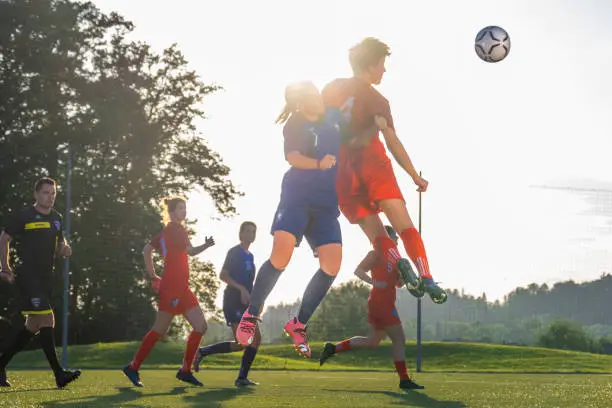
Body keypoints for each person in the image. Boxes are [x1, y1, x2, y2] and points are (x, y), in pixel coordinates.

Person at [322, 37, 447, 304]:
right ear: (370, 65)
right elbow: (392, 143)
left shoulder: (331, 88)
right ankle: (426, 276)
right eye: (382, 65)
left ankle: (398, 261)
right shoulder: (378, 100)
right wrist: (415, 175)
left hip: (341, 170)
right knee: (404, 226)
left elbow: (319, 126)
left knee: (377, 235)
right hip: (372, 162)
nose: (384, 70)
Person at [234, 81, 344, 358]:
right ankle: (252, 312)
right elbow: (293, 157)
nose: (314, 102)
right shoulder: (294, 124)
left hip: (326, 204)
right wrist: (318, 164)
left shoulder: (333, 118)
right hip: (296, 198)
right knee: (281, 255)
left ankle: (298, 323)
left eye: (316, 96)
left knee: (332, 265)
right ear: (299, 104)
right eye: (307, 99)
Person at [122, 197, 214, 387]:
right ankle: (133, 367)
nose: (184, 211)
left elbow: (146, 249)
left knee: (200, 326)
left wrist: (153, 275)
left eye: (185, 208)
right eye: (180, 208)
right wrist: (206, 245)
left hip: (182, 288)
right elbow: (190, 252)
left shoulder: (166, 232)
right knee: (159, 330)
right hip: (171, 288)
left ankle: (185, 370)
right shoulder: (176, 229)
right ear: (171, 212)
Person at [319, 226, 424, 390]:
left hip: (385, 302)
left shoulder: (395, 259)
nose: (397, 240)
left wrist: (408, 280)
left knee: (372, 342)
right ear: (386, 239)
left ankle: (333, 348)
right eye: (394, 237)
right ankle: (404, 380)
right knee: (399, 339)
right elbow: (359, 271)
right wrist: (375, 283)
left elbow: (397, 283)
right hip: (381, 302)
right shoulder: (376, 253)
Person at [0, 177, 81, 388]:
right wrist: (5, 267)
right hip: (28, 276)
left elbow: (60, 241)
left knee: (33, 326)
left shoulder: (57, 218)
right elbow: (4, 239)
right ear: (36, 194)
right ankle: (59, 375)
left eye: (53, 193)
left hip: (46, 278)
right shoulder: (24, 216)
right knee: (47, 320)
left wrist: (64, 248)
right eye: (46, 193)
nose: (50, 197)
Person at [193, 221, 260, 387]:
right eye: (248, 231)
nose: (251, 234)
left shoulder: (250, 256)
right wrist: (241, 289)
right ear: (241, 233)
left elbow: (251, 284)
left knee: (254, 339)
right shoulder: (234, 252)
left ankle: (204, 352)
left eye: (253, 232)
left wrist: (254, 300)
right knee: (245, 341)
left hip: (247, 305)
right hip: (232, 300)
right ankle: (240, 378)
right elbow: (223, 275)